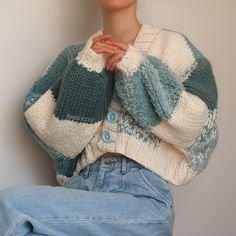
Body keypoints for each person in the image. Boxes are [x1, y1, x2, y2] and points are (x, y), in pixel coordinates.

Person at [0, 0, 219, 235]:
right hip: (78, 194)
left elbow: (196, 125)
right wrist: (87, 71)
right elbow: (60, 141)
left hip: (141, 201)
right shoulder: (73, 58)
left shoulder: (174, 47)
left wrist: (139, 69)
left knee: (9, 205)